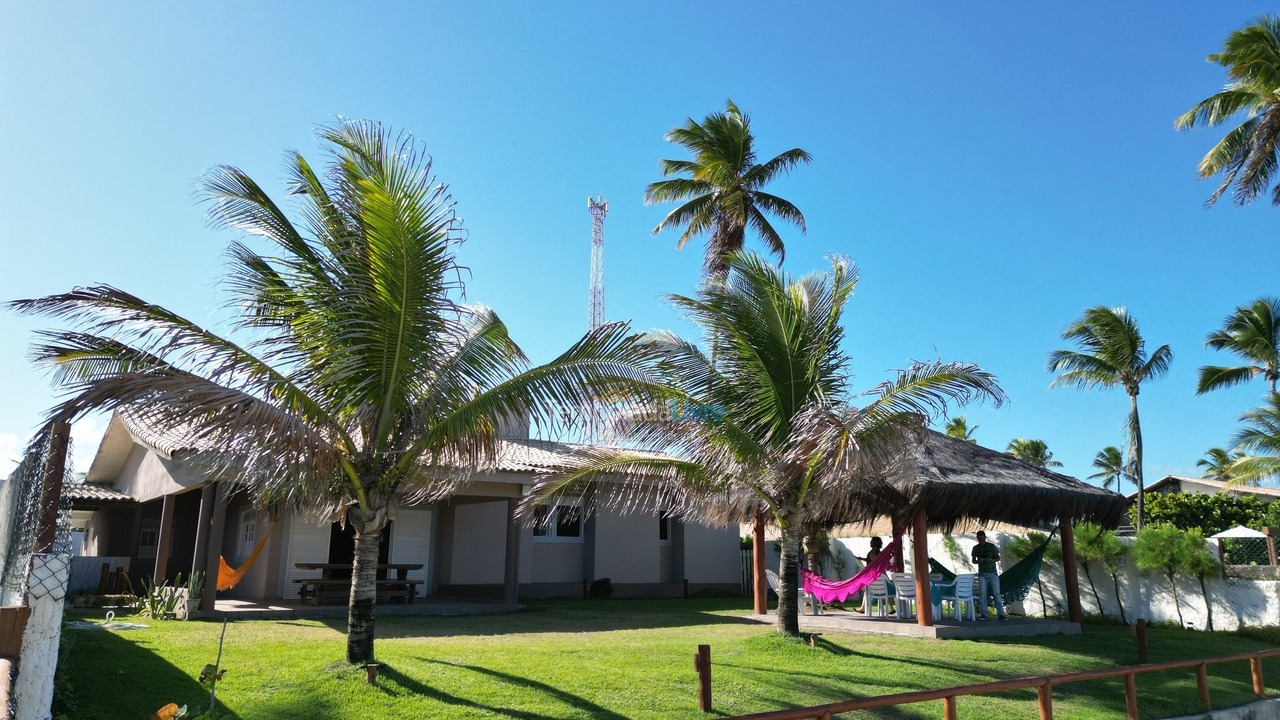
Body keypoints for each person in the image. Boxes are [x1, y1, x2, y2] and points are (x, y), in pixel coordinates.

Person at [971, 531, 1007, 621]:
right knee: (983, 594)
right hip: (982, 573)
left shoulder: (991, 546)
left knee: (996, 593)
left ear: (985, 538)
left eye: (983, 538)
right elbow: (973, 560)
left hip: (992, 573)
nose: (981, 540)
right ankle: (984, 614)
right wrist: (978, 561)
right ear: (977, 539)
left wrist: (991, 560)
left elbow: (998, 557)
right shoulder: (975, 548)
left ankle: (1001, 614)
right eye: (980, 539)